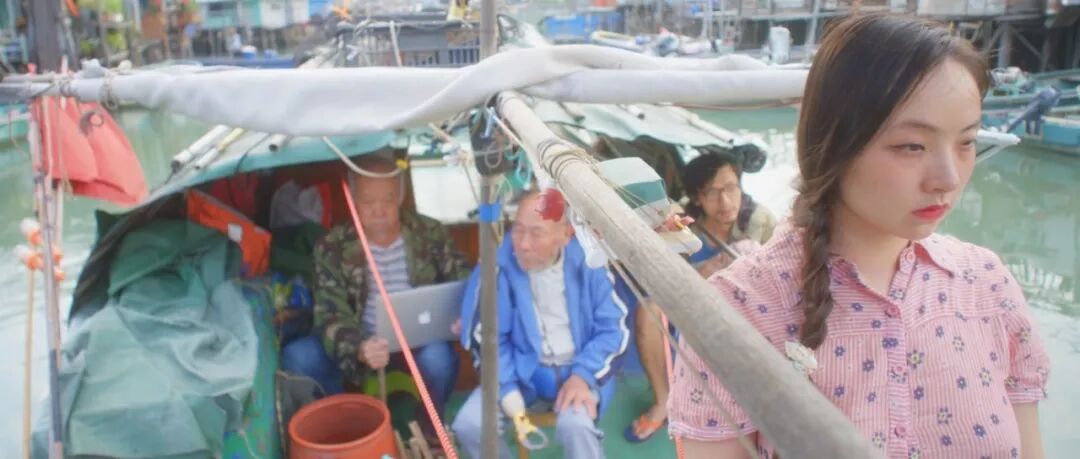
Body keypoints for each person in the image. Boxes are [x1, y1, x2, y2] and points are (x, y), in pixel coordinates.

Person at [669, 14, 1050, 459]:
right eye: (912, 146)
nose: (948, 178)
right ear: (832, 144)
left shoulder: (986, 284)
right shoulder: (739, 311)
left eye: (966, 143)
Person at [281, 153, 470, 430]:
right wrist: (359, 347)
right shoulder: (332, 245)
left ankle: (430, 430)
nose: (379, 210)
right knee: (299, 357)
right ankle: (347, 428)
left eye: (388, 200)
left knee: (439, 359)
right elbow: (330, 313)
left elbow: (463, 281)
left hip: (418, 341)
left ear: (400, 198)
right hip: (360, 342)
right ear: (353, 200)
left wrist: (463, 314)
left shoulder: (430, 232)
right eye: (368, 202)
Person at [452, 189, 630, 459]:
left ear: (566, 235)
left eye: (536, 233)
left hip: (580, 370)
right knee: (470, 425)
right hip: (519, 372)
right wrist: (507, 387)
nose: (523, 244)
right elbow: (487, 338)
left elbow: (614, 329)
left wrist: (582, 377)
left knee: (577, 427)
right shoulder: (496, 266)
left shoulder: (591, 263)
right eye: (518, 230)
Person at [625, 150, 776, 442]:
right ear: (697, 197)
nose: (726, 202)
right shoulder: (681, 223)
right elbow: (661, 276)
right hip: (689, 305)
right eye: (713, 193)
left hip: (741, 314)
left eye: (731, 188)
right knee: (648, 310)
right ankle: (663, 400)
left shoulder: (759, 222)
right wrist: (704, 271)